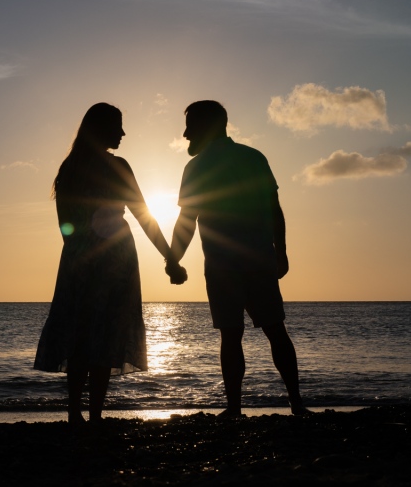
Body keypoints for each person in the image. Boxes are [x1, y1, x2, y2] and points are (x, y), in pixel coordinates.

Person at [34, 102, 186, 425]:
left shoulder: (69, 169)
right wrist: (169, 258)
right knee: (104, 336)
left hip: (78, 260)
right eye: (117, 126)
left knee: (81, 334)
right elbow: (144, 216)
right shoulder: (118, 167)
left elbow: (65, 225)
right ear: (101, 128)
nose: (122, 132)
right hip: (116, 260)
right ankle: (95, 415)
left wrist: (80, 253)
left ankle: (75, 413)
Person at [166, 100, 309, 416]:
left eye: (191, 126)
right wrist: (281, 252)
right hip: (258, 258)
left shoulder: (197, 167)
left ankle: (234, 409)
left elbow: (188, 220)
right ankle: (296, 404)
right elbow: (275, 210)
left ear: (208, 127)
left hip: (222, 264)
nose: (186, 133)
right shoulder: (252, 157)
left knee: (232, 335)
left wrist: (173, 260)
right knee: (275, 331)